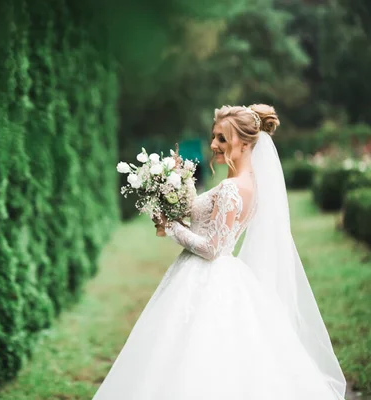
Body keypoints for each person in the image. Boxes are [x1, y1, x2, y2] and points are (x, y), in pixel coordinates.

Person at [92, 104, 346, 400]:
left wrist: (170, 226)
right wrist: (173, 195)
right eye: (214, 137)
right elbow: (208, 222)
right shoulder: (249, 184)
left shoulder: (232, 189)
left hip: (206, 274)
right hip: (224, 274)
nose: (214, 145)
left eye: (222, 139)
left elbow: (212, 248)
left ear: (246, 142)